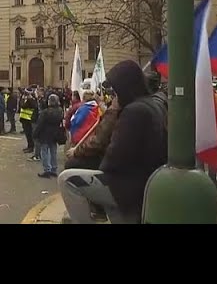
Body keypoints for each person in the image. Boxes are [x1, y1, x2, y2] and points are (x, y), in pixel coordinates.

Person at [58, 60, 167, 224]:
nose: (114, 97)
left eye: (116, 92)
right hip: (141, 178)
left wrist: (114, 110)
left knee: (67, 179)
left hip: (127, 184)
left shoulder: (133, 112)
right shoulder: (148, 106)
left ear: (125, 89)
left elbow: (114, 158)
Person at [33, 94, 64, 178]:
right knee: (53, 151)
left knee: (45, 151)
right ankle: (54, 169)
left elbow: (40, 124)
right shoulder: (60, 110)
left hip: (45, 134)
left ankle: (47, 170)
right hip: (55, 134)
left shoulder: (45, 112)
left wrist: (35, 134)